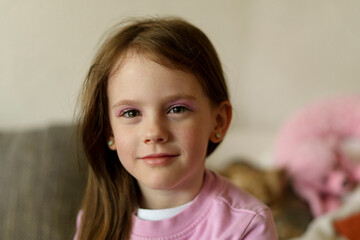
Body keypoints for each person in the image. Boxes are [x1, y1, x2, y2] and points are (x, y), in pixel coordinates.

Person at [74, 17, 278, 240]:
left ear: (218, 121)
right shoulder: (94, 222)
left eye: (177, 109)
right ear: (109, 133)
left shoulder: (246, 225)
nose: (154, 133)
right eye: (131, 113)